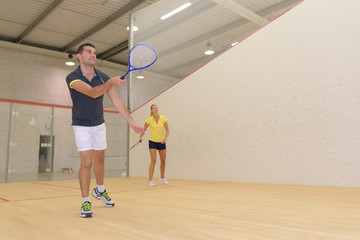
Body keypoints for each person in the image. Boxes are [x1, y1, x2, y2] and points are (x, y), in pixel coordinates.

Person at [66, 43, 144, 218]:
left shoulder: (102, 77)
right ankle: (85, 201)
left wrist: (131, 123)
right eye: (88, 52)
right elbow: (92, 93)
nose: (93, 55)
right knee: (87, 162)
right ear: (79, 56)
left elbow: (117, 103)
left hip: (98, 124)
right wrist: (110, 82)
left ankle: (99, 190)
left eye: (94, 52)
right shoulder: (73, 77)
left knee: (100, 159)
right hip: (81, 125)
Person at [139, 104, 169, 187]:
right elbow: (143, 130)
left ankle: (162, 177)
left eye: (157, 108)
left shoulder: (163, 118)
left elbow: (167, 130)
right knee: (153, 160)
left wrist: (165, 139)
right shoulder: (149, 120)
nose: (156, 109)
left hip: (162, 142)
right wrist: (140, 137)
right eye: (154, 108)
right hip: (152, 142)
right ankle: (150, 180)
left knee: (163, 161)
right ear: (151, 110)